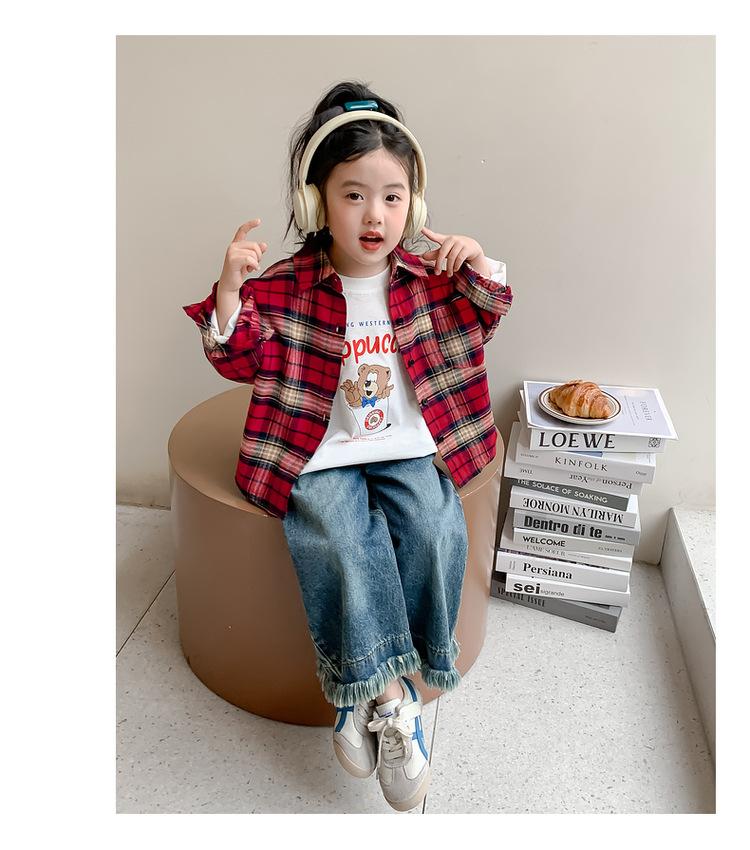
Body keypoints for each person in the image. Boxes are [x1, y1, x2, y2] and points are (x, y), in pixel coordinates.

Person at [183, 80, 513, 812]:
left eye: (392, 197)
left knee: (433, 528)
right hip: (318, 450)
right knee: (336, 534)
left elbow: (487, 316)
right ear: (316, 204)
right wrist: (230, 290)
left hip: (407, 444)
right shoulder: (288, 286)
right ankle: (387, 697)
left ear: (414, 206)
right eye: (354, 195)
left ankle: (362, 690)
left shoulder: (428, 279)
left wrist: (480, 263)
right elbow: (237, 358)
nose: (375, 215)